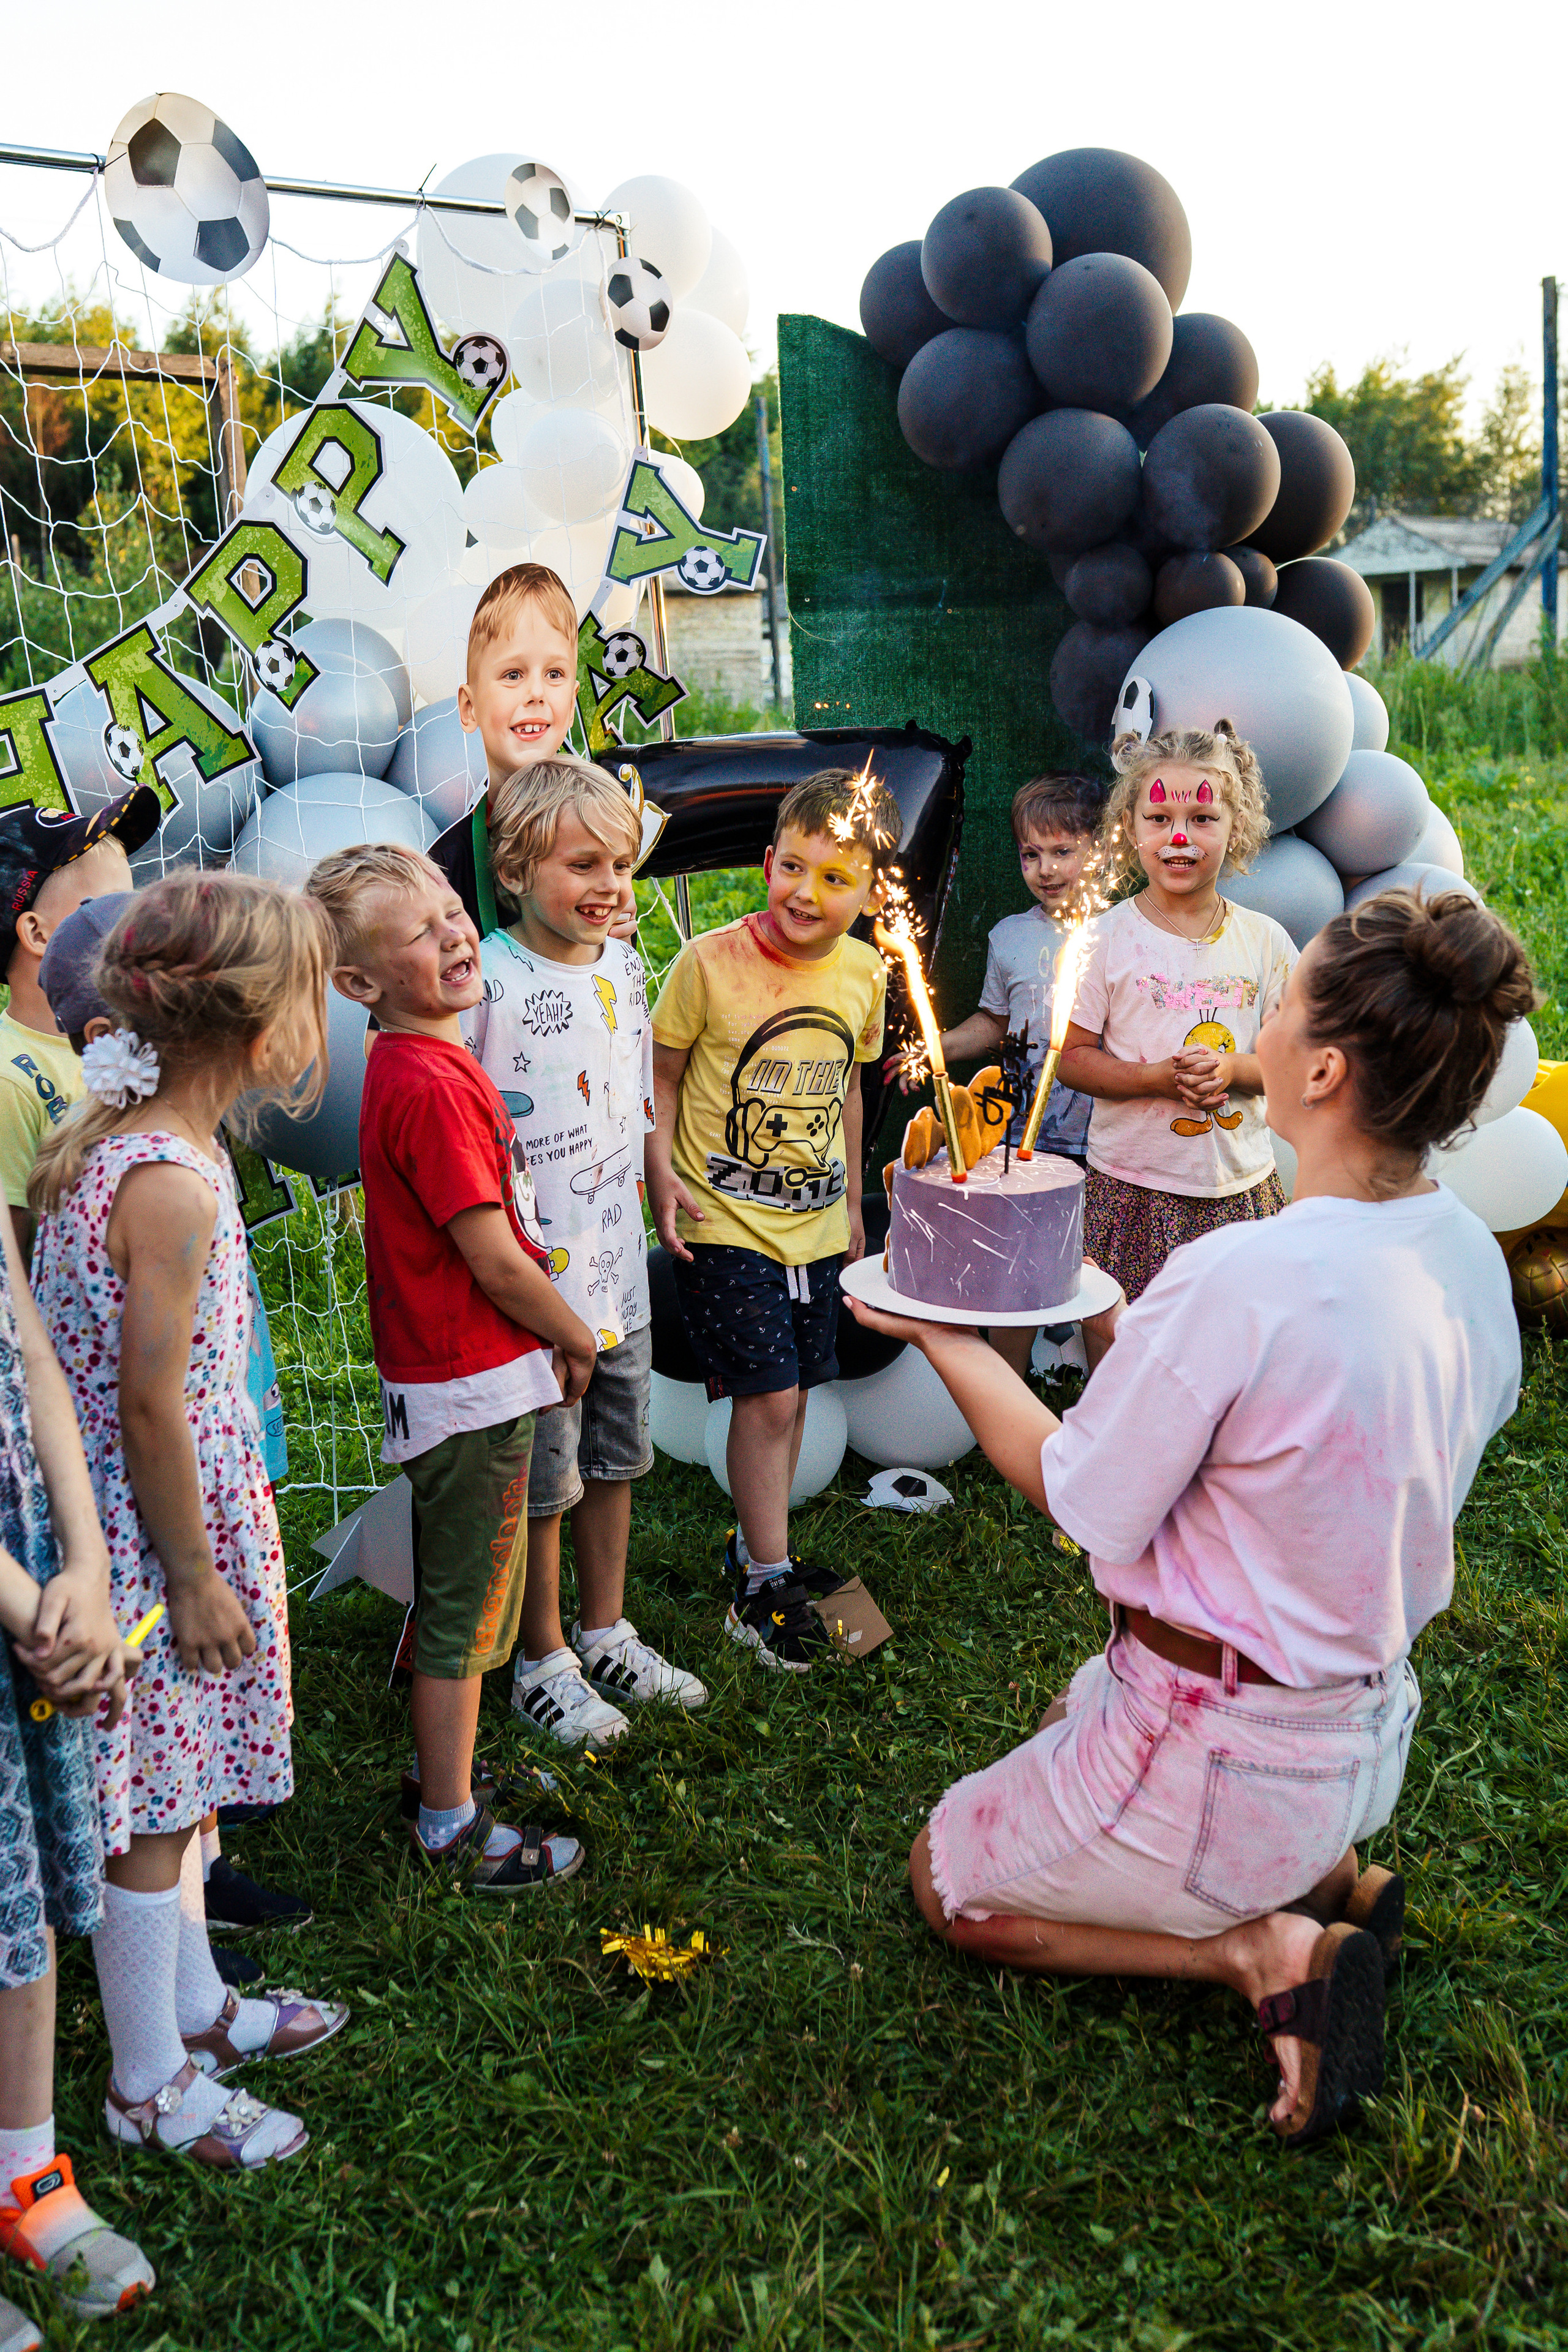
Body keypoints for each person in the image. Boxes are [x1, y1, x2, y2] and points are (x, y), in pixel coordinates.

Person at [845, 886, 1531, 2147]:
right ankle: (1329, 1871)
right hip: (1362, 1720)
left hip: (1222, 1749)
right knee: (1068, 1705)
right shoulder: (1464, 1257)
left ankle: (1259, 1952)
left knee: (947, 1883)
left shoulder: (1242, 1273)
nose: (1252, 1017)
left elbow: (1082, 1496)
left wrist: (944, 1334)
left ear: (1317, 1070)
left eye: (1278, 1001)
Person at [29, 873, 350, 2171]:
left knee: (187, 1786)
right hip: (156, 1539)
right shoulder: (165, 1183)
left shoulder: (153, 1144)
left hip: (174, 1517)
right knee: (154, 1808)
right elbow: (150, 1408)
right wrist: (196, 1578)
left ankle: (201, 2006)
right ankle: (147, 2082)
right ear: (261, 1028)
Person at [307, 843, 594, 1887]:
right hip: (470, 1385)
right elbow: (493, 1259)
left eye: (451, 912)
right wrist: (574, 1333)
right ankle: (448, 1821)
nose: (456, 934)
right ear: (358, 983)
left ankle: (452, 1769)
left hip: (460, 1378)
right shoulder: (427, 1084)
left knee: (468, 1587)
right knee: (470, 1614)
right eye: (420, 934)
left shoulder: (418, 1058)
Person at [472, 759, 707, 1743]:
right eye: (584, 864)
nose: (611, 885)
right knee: (545, 1480)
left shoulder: (622, 960)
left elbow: (636, 1092)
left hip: (619, 1273)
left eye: (620, 863)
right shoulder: (486, 978)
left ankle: (607, 1627)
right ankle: (544, 1655)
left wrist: (660, 1178)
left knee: (616, 1458)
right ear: (519, 870)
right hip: (536, 1293)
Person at [648, 768, 895, 1670]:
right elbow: (662, 1083)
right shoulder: (706, 964)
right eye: (795, 867)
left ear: (870, 893)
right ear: (765, 864)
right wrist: (661, 1180)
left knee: (795, 1396)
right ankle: (764, 1579)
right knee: (772, 1394)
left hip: (818, 1226)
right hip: (723, 1222)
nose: (809, 892)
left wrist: (853, 1194)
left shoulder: (865, 973)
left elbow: (855, 1084)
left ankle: (764, 1554)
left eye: (837, 879)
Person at [0, 1204, 154, 2333]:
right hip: (22, 1604)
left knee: (25, 1894)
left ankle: (27, 2173)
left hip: (40, 1588)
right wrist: (41, 1613)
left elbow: (34, 1351)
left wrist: (88, 1565)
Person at [1060, 724, 1294, 1354]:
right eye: (1159, 816)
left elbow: (1293, 1065)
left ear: (1236, 825)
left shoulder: (1266, 943)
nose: (1180, 836)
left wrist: (1232, 1071)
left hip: (1236, 1189)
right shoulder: (1106, 941)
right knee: (1123, 1343)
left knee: (1230, 1347)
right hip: (1132, 1186)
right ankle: (1120, 1448)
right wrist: (1155, 1078)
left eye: (1202, 817)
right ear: (1129, 827)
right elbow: (1073, 1060)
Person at [889, 771, 1103, 1377]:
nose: (1046, 868)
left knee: (1098, 1271)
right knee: (1019, 1269)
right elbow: (992, 1023)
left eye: (1063, 851)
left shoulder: (1121, 931)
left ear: (1100, 847)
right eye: (1031, 854)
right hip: (1022, 1138)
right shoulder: (1009, 937)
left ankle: (1097, 1394)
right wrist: (934, 1051)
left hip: (1106, 1137)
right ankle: (1007, 1389)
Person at [0, 790, 159, 1264]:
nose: (136, 922)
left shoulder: (140, 1035)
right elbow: (11, 1265)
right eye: (109, 905)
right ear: (36, 933)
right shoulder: (11, 1080)